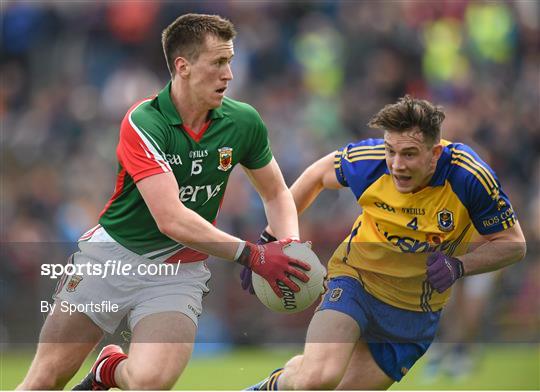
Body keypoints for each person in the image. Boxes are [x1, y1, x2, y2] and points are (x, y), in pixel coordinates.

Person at [18, 13, 311, 391]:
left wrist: (285, 245)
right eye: (218, 63)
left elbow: (275, 192)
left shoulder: (243, 122)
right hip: (112, 259)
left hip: (178, 271)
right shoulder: (144, 122)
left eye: (230, 62)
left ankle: (108, 370)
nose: (229, 75)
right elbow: (170, 218)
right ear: (183, 66)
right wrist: (253, 255)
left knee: (151, 381)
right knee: (45, 379)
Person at [243, 95, 526, 390]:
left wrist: (459, 266)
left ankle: (285, 379)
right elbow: (316, 175)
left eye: (409, 154)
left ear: (435, 153)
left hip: (413, 313)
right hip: (355, 281)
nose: (396, 165)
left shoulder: (469, 176)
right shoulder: (370, 161)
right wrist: (274, 237)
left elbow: (514, 244)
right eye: (391, 151)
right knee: (318, 378)